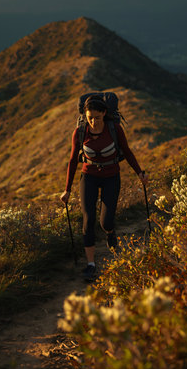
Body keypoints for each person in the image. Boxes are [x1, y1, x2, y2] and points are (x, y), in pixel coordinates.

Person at [60, 95, 148, 281]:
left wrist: (140, 173)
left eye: (97, 118)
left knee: (106, 221)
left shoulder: (114, 129)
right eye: (89, 117)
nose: (93, 121)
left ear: (104, 114)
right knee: (88, 218)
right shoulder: (80, 132)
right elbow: (72, 160)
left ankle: (110, 232)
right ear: (85, 115)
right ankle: (91, 265)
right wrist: (67, 189)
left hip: (111, 178)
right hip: (89, 177)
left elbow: (127, 151)